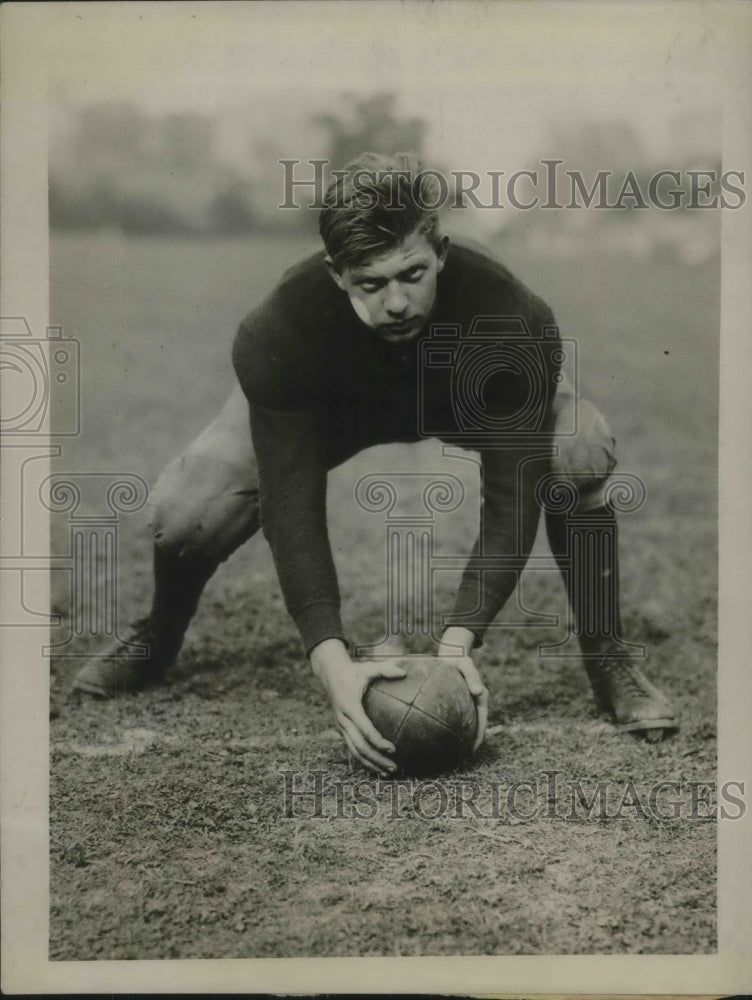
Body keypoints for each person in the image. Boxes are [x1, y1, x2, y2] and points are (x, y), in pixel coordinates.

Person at [73, 152, 677, 772]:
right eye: (370, 282)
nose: (396, 303)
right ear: (336, 274)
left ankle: (607, 655)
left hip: (460, 396)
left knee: (577, 450)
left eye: (412, 273)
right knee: (187, 508)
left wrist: (459, 640)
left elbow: (511, 494)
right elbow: (291, 502)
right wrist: (330, 658)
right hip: (341, 406)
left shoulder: (512, 318)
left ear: (440, 251)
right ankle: (160, 631)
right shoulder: (280, 331)